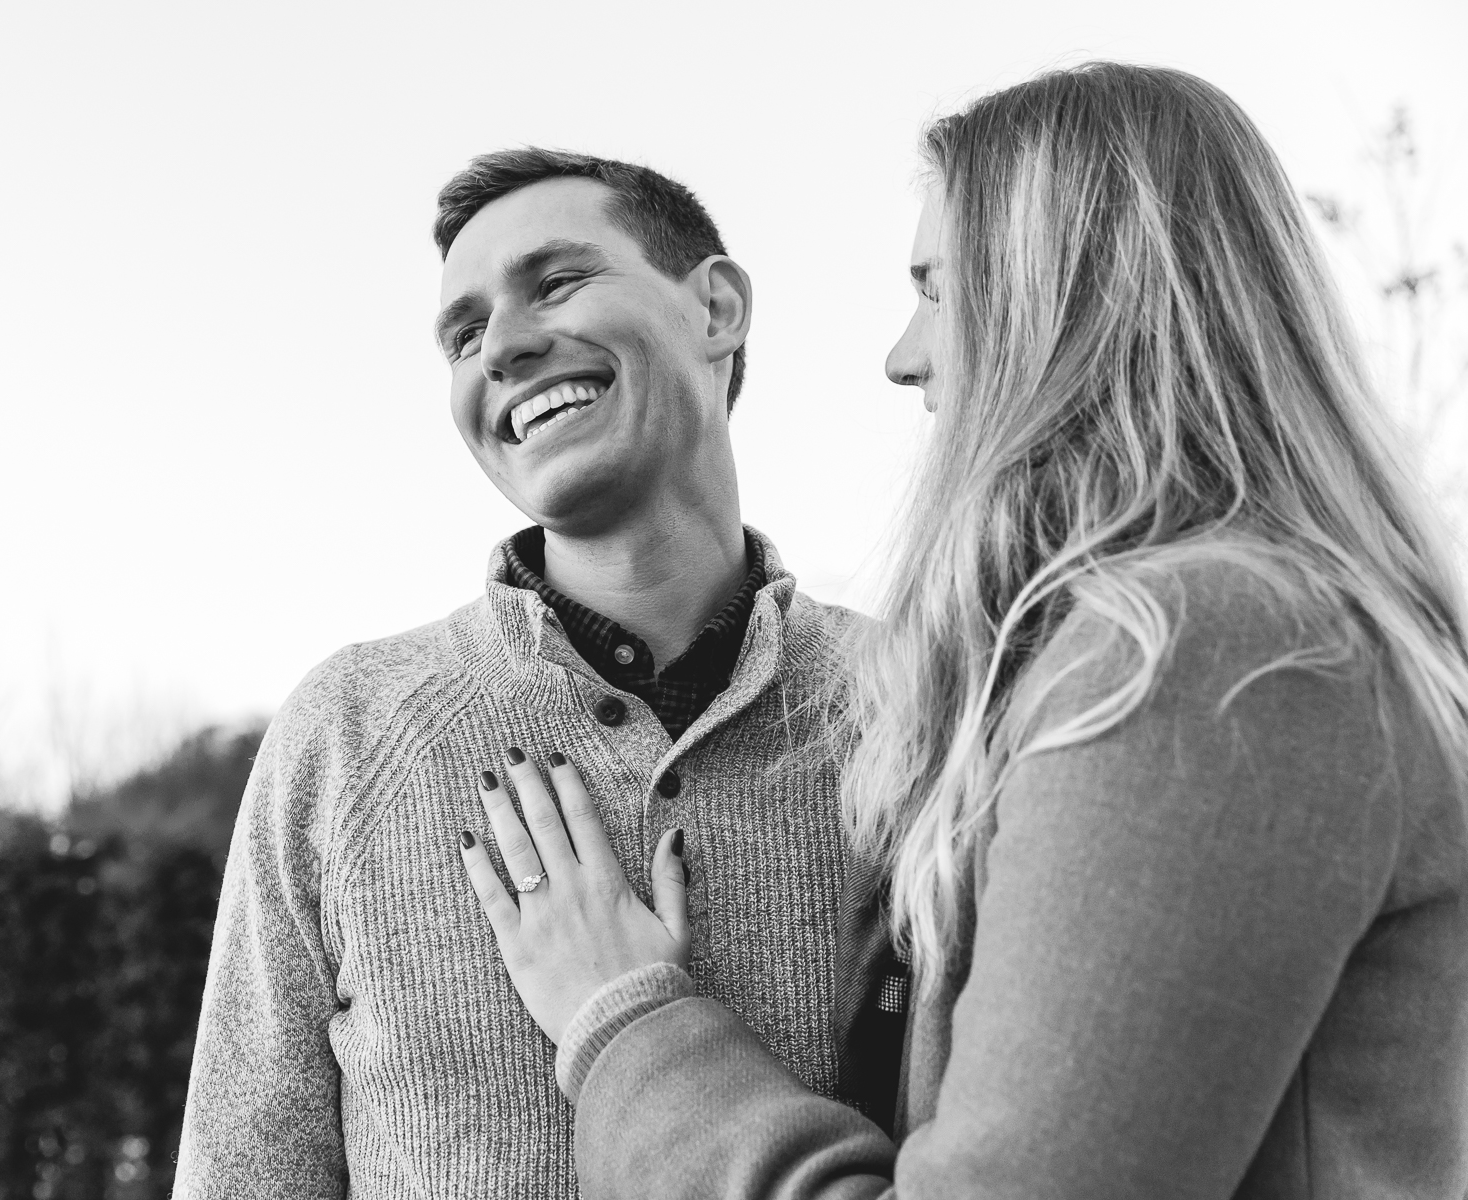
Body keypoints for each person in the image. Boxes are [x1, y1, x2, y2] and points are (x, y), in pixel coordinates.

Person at [456, 63, 1468, 1198]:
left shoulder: (1213, 653)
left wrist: (626, 1022)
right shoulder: (1199, 640)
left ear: (1068, 298)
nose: (903, 355)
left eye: (936, 289)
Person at [172, 149, 883, 1199]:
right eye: (462, 335)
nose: (502, 346)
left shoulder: (933, 701)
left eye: (556, 282)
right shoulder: (346, 732)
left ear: (718, 307)